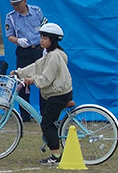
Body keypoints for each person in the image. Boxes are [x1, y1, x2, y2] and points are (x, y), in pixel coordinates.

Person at [11, 23, 72, 165]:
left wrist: (31, 80)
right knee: (48, 121)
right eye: (41, 37)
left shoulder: (54, 56)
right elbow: (36, 66)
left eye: (45, 38)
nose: (41, 40)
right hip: (58, 93)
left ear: (53, 39)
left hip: (58, 94)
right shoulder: (52, 55)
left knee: (46, 124)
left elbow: (46, 78)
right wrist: (19, 72)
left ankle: (56, 156)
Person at [4, 0, 46, 121]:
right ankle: (25, 115)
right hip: (24, 52)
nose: (16, 7)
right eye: (13, 5)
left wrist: (45, 47)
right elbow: (9, 35)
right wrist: (17, 41)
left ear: (25, 1)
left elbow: (45, 27)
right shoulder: (10, 17)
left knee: (42, 81)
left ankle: (44, 114)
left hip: (38, 50)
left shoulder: (37, 11)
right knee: (22, 82)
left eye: (18, 4)